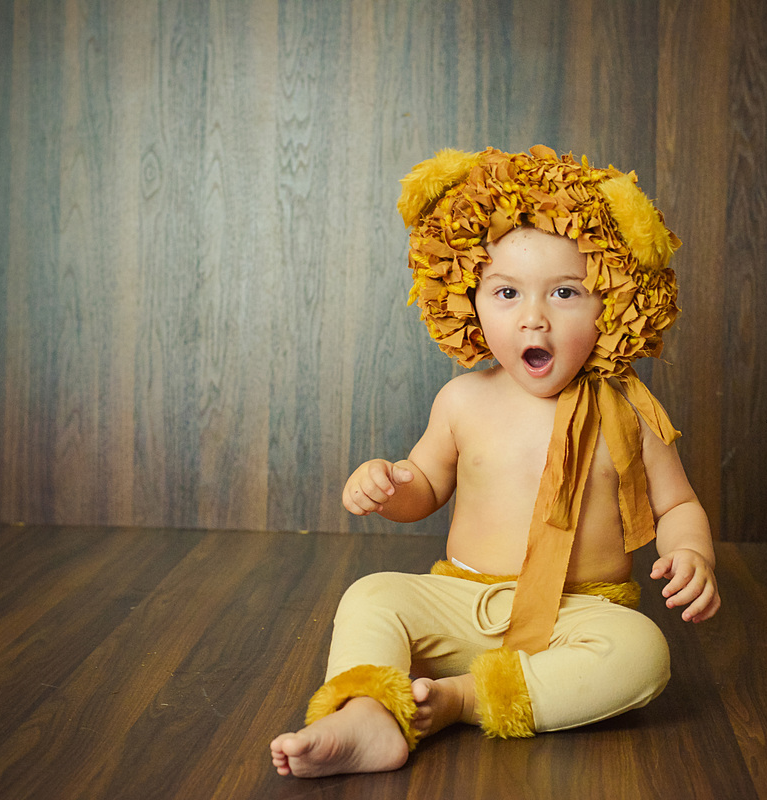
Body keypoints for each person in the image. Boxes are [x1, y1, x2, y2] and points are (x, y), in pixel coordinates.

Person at [271, 145, 719, 778]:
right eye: (507, 292)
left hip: (579, 610)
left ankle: (463, 700)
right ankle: (369, 713)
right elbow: (424, 486)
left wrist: (691, 553)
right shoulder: (463, 400)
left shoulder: (632, 413)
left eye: (565, 292)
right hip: (462, 600)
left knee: (642, 655)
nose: (533, 318)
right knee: (372, 595)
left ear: (612, 305)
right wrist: (389, 484)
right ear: (469, 300)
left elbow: (676, 504)